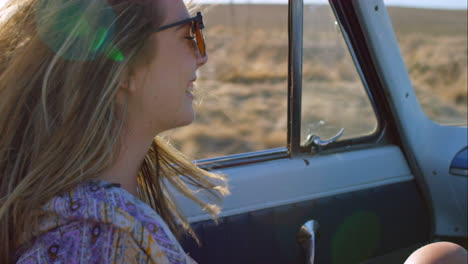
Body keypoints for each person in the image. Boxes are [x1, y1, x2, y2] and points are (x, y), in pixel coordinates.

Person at [0, 0, 229, 263]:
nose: (202, 57)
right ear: (122, 65)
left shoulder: (81, 219)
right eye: (189, 33)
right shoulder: (102, 241)